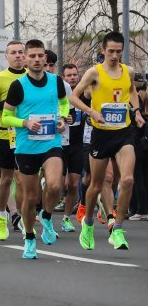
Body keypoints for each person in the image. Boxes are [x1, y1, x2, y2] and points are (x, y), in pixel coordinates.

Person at [70, 31, 145, 250]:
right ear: (103, 50)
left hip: (123, 132)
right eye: (110, 51)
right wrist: (91, 112)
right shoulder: (95, 72)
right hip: (101, 134)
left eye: (118, 52)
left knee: (128, 180)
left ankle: (118, 229)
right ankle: (89, 223)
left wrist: (137, 111)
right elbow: (74, 96)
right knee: (95, 185)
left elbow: (131, 90)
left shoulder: (128, 71)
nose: (114, 55)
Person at [0, 40, 69, 259]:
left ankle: (47, 216)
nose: (37, 60)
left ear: (45, 59)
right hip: (27, 146)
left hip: (51, 143)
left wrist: (63, 118)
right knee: (29, 198)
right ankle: (30, 238)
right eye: (33, 56)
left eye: (41, 56)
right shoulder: (18, 86)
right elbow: (5, 117)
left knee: (56, 184)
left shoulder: (56, 81)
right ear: (26, 59)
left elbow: (64, 102)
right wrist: (25, 123)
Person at [0, 41, 27, 241]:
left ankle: (23, 217)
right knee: (7, 178)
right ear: (6, 57)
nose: (18, 56)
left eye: (21, 52)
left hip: (27, 134)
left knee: (23, 178)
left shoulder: (32, 78)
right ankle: (2, 215)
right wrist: (8, 102)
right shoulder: (0, 78)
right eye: (14, 53)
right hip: (5, 134)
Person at [60, 64, 85, 232]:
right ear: (63, 77)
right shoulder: (60, 92)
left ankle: (66, 218)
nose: (72, 78)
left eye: (75, 75)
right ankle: (42, 210)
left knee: (74, 184)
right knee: (59, 184)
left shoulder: (84, 93)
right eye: (68, 75)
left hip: (77, 143)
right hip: (60, 143)